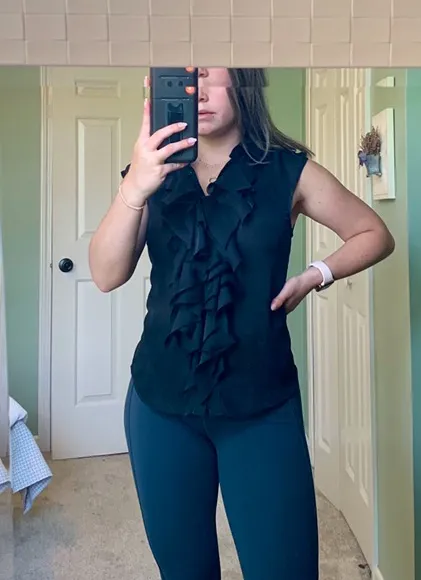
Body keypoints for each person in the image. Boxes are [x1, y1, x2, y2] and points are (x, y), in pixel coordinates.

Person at [89, 67, 395, 580]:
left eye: (213, 71)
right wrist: (135, 186)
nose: (199, 90)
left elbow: (373, 233)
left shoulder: (290, 172)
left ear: (245, 79)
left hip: (260, 405)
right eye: (187, 76)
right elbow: (105, 274)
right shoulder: (149, 171)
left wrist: (314, 275)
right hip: (159, 406)